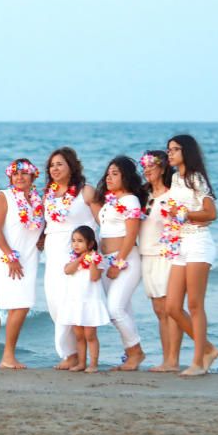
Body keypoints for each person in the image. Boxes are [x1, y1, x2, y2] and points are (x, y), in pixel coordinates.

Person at [165, 134, 218, 376]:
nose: (170, 153)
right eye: (169, 150)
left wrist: (184, 213)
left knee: (195, 304)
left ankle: (198, 361)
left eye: (175, 149)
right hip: (180, 243)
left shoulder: (195, 179)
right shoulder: (176, 179)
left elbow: (211, 213)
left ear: (186, 152)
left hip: (198, 240)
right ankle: (207, 348)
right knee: (172, 307)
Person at [39, 147, 97, 370]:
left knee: (71, 302)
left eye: (59, 164)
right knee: (54, 302)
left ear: (72, 166)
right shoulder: (49, 194)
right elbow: (46, 224)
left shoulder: (86, 192)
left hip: (76, 254)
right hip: (53, 254)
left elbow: (103, 220)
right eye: (52, 165)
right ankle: (69, 351)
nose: (54, 168)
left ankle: (74, 356)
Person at [92, 156, 147, 371]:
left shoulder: (130, 200)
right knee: (123, 310)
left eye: (115, 174)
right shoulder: (110, 201)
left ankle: (136, 352)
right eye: (108, 173)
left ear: (126, 176)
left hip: (125, 259)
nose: (109, 177)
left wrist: (118, 262)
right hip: (107, 260)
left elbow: (132, 233)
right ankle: (131, 355)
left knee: (114, 309)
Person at [0, 158, 45, 369]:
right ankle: (7, 356)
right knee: (19, 306)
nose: (19, 177)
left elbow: (39, 226)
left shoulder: (37, 199)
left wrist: (44, 239)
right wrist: (10, 257)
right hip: (9, 257)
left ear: (33, 176)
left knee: (22, 305)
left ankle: (6, 355)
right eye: (15, 174)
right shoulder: (4, 196)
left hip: (30, 257)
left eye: (24, 173)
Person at [138, 151, 182, 372]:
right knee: (158, 309)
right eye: (144, 166)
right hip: (146, 255)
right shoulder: (143, 195)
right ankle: (166, 359)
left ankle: (173, 360)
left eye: (151, 166)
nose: (146, 170)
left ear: (163, 168)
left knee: (170, 308)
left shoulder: (173, 194)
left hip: (166, 255)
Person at [59, 226, 109, 373]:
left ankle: (93, 364)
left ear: (91, 243)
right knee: (79, 335)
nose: (76, 244)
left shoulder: (98, 259)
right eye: (73, 241)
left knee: (90, 335)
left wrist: (92, 260)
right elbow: (67, 270)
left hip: (90, 301)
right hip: (75, 301)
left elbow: (94, 277)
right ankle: (81, 363)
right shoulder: (73, 258)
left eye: (80, 241)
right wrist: (80, 259)